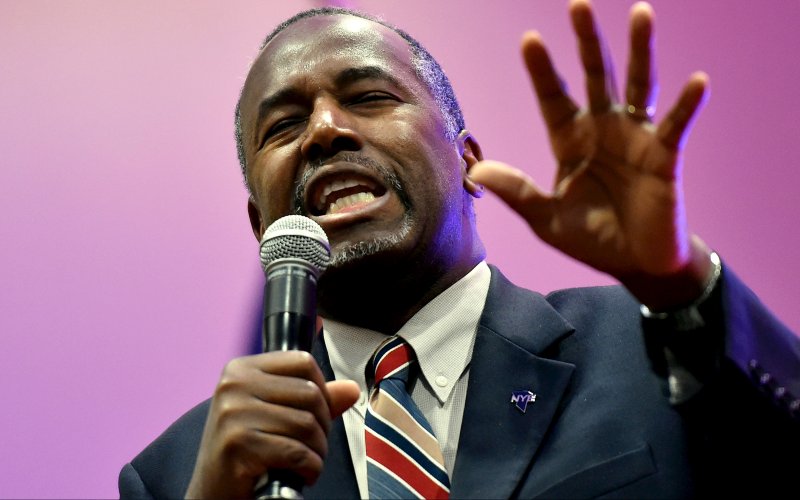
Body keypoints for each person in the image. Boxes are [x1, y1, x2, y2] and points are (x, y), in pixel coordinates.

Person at [119, 1, 800, 498]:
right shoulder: (182, 474)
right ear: (258, 222)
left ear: (467, 159)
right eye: (285, 125)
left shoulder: (653, 349)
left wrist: (679, 282)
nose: (324, 130)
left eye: (369, 96)